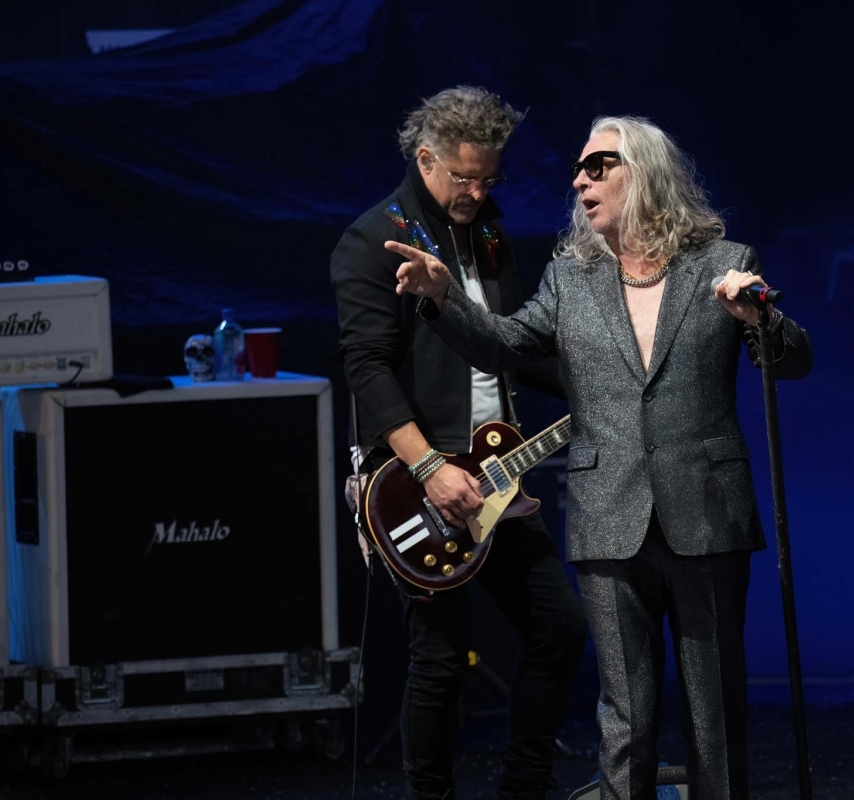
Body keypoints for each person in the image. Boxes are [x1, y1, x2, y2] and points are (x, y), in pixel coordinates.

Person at [388, 115, 814, 800]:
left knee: (714, 713)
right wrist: (443, 298)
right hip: (608, 517)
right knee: (626, 720)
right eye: (577, 172)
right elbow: (503, 344)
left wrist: (761, 319)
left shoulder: (723, 263)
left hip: (707, 513)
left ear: (643, 172)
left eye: (598, 166)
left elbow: (792, 363)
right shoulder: (571, 278)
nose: (580, 182)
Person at [330, 86, 588, 800]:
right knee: (441, 658)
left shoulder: (491, 237)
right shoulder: (373, 239)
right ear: (425, 159)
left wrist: (599, 381)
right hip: (418, 483)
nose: (478, 193)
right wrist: (428, 466)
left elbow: (511, 346)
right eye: (465, 178)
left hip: (498, 472)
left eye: (490, 179)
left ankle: (524, 788)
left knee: (559, 630)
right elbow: (368, 370)